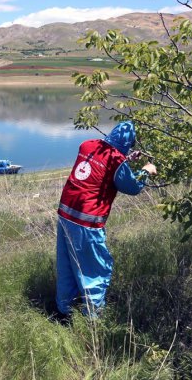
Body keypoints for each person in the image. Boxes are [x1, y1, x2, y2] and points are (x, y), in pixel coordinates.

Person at [55, 120, 156, 318]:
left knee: (67, 267)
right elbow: (132, 186)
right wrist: (146, 171)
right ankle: (92, 320)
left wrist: (125, 159)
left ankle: (64, 312)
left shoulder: (88, 145)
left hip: (66, 215)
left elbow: (104, 164)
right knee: (95, 270)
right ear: (129, 142)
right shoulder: (116, 161)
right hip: (88, 222)